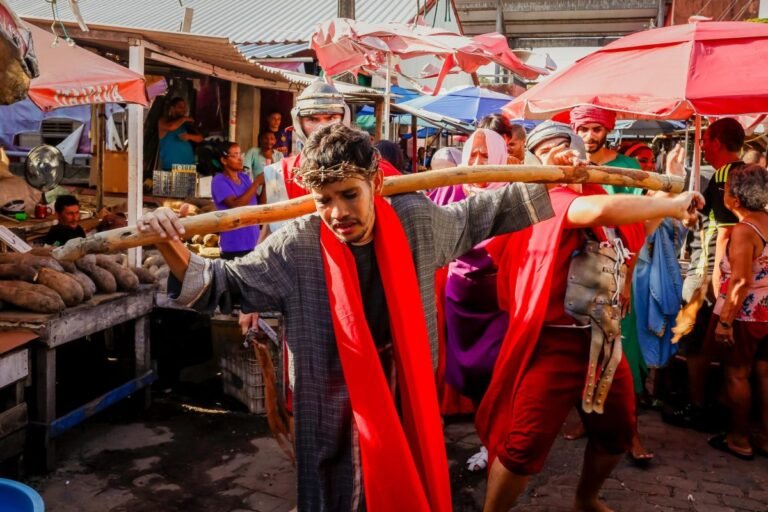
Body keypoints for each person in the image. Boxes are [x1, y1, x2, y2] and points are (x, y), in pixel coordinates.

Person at [138, 123, 554, 511]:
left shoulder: (414, 219)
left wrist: (551, 173)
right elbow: (221, 283)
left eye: (349, 194)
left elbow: (479, 214)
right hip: (329, 397)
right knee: (335, 490)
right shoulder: (297, 245)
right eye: (325, 200)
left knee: (408, 479)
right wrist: (167, 240)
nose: (338, 213)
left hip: (404, 388)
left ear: (376, 184)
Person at [475, 121, 703, 512]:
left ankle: (586, 499)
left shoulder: (595, 193)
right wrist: (669, 204)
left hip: (603, 341)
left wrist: (668, 190)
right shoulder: (544, 197)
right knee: (523, 447)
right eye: (545, 151)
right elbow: (596, 211)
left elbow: (633, 228)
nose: (559, 155)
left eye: (564, 146)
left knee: (617, 433)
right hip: (553, 343)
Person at [429, 129, 511, 471]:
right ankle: (487, 441)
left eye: (485, 156)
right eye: (472, 155)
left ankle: (499, 444)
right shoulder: (450, 188)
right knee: (471, 376)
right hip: (460, 300)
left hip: (499, 303)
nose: (477, 163)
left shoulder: (510, 194)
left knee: (497, 375)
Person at [671, 118, 747, 428]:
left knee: (694, 339)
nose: (702, 146)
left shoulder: (725, 175)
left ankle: (697, 406)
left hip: (710, 270)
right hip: (737, 273)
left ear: (715, 142)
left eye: (705, 141)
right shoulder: (750, 173)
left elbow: (726, 232)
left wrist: (716, 283)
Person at [706, 164, 768, 460]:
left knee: (737, 375)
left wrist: (725, 322)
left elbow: (741, 281)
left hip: (745, 316)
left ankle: (740, 438)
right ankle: (765, 437)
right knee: (764, 375)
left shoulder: (744, 230)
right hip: (765, 313)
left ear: (736, 198)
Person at [278, 81, 399, 200]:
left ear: (343, 119)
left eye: (331, 118)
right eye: (312, 119)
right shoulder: (280, 175)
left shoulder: (374, 168)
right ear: (299, 124)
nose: (322, 127)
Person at [571, 105, 642, 195]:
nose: (589, 137)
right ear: (576, 131)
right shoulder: (567, 164)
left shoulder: (628, 165)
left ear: (608, 130)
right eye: (584, 130)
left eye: (597, 130)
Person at [211, 142, 263, 260]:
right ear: (224, 160)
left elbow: (259, 203)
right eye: (235, 155)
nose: (240, 159)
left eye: (240, 154)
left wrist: (266, 182)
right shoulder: (219, 180)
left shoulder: (244, 178)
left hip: (254, 242)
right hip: (233, 245)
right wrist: (256, 183)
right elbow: (235, 205)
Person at [158, 97, 203, 170]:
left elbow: (200, 138)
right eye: (180, 107)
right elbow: (170, 127)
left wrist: (189, 136)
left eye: (185, 108)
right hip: (171, 168)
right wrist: (184, 119)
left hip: (189, 167)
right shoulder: (163, 121)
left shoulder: (186, 124)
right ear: (172, 108)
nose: (184, 110)